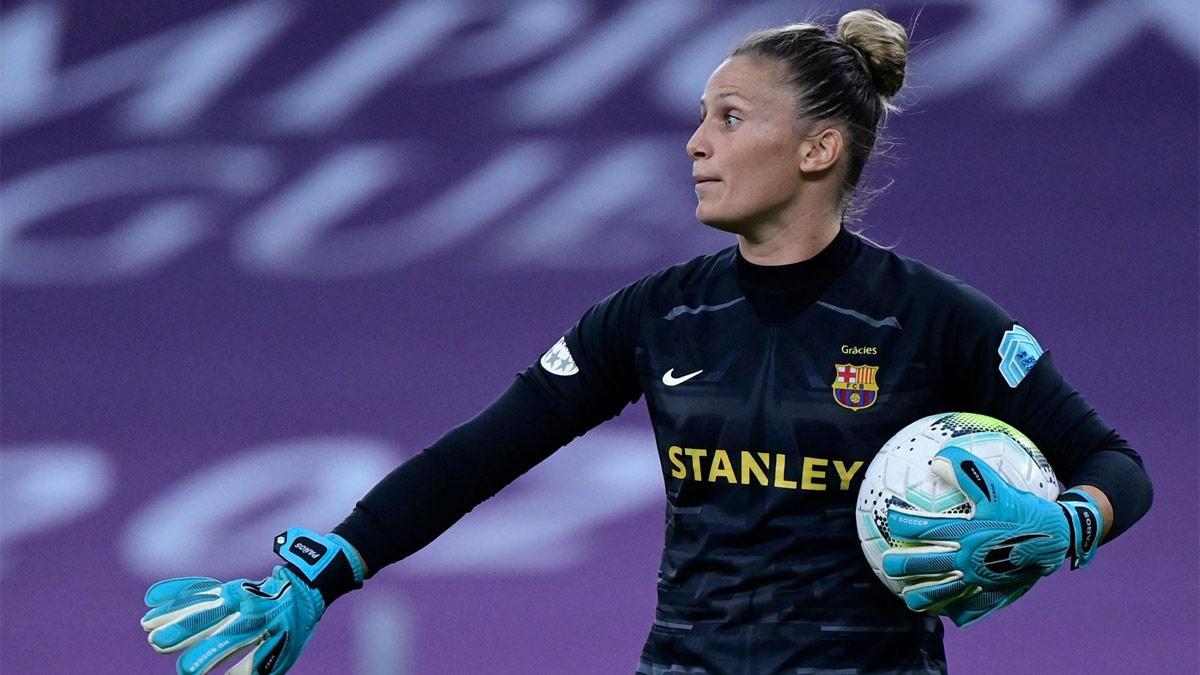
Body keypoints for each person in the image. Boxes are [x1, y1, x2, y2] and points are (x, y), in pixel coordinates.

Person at [139, 9, 1153, 674]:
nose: (695, 142)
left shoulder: (937, 318)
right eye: (699, 117)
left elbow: (1117, 466)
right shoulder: (654, 314)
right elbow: (481, 454)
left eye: (727, 116)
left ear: (817, 148)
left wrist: (1069, 522)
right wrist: (326, 570)